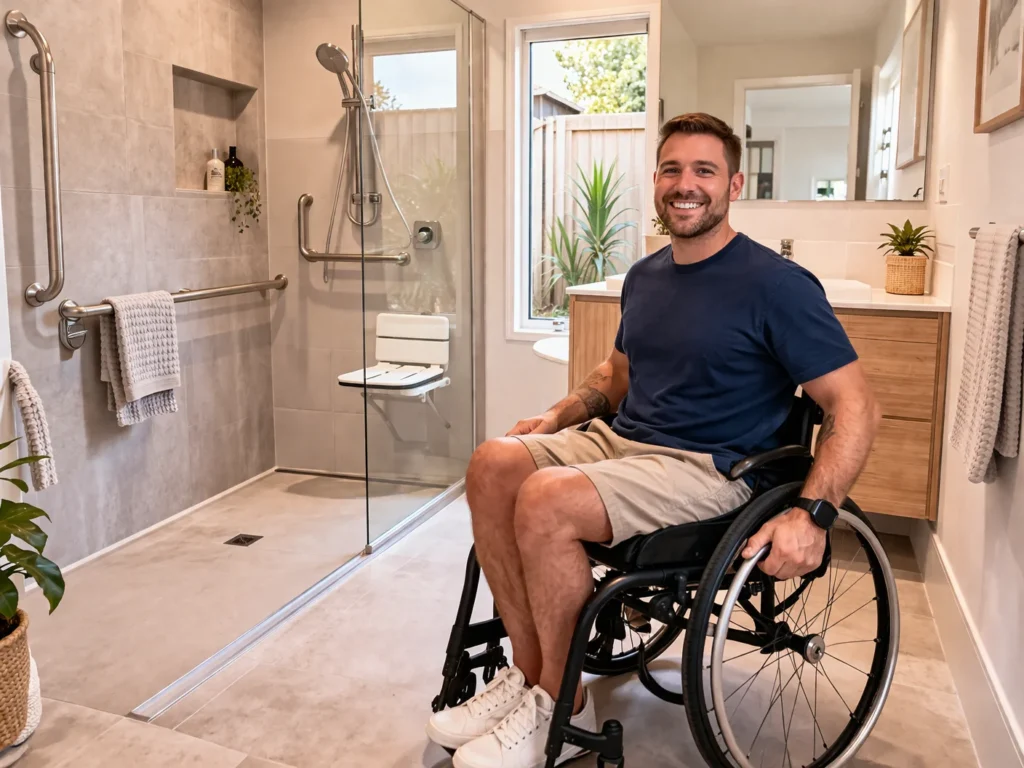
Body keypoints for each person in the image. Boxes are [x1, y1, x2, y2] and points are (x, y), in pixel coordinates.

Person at [427, 112, 881, 768]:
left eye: (704, 170)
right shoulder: (645, 276)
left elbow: (856, 407)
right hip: (624, 442)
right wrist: (557, 416)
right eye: (672, 168)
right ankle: (531, 679)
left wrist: (814, 515)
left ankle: (561, 706)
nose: (685, 183)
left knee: (546, 500)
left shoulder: (776, 286)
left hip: (710, 467)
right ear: (658, 180)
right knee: (493, 464)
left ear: (734, 184)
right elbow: (616, 375)